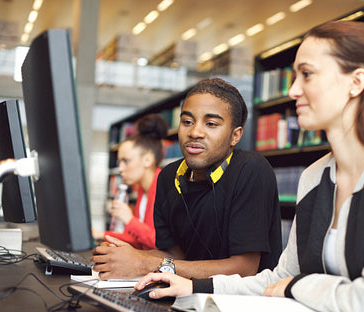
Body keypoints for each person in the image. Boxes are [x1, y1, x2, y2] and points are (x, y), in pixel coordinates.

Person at [135, 21, 364, 312]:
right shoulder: (315, 177)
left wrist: (299, 286)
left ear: (356, 81)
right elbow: (278, 278)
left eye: (307, 75)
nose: (293, 90)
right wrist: (194, 286)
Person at [92, 78, 282, 280]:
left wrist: (143, 263)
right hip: (186, 296)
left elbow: (244, 268)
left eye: (211, 124)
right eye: (187, 122)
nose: (195, 132)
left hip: (239, 304)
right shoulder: (168, 177)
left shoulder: (251, 169)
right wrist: (123, 255)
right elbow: (175, 257)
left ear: (235, 136)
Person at [97, 113, 168, 250]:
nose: (120, 169)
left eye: (126, 161)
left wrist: (129, 219)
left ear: (148, 160)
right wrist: (101, 234)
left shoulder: (164, 188)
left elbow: (161, 243)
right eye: (119, 162)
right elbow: (138, 239)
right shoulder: (143, 189)